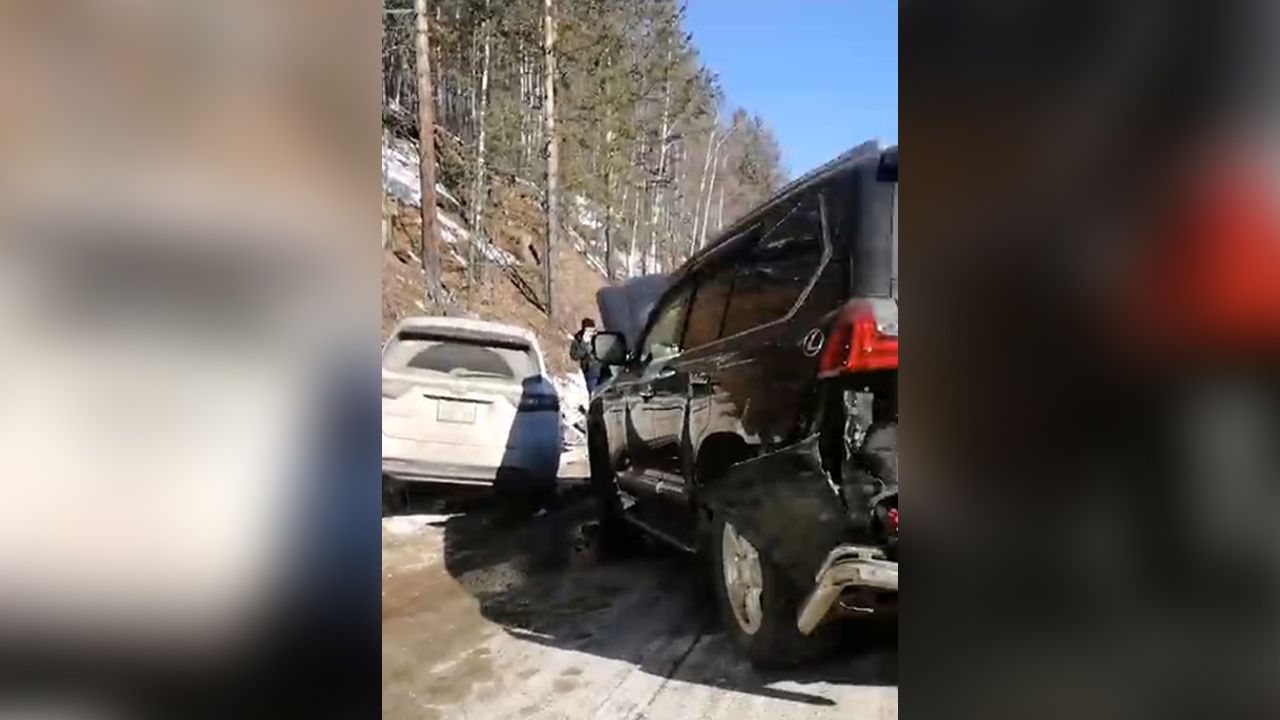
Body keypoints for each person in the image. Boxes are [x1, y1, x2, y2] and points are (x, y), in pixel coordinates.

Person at [569, 318, 602, 394]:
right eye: (588, 331)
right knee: (593, 392)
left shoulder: (599, 337)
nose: (590, 333)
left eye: (592, 331)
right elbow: (575, 355)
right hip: (589, 371)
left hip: (601, 370)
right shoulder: (578, 339)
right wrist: (583, 343)